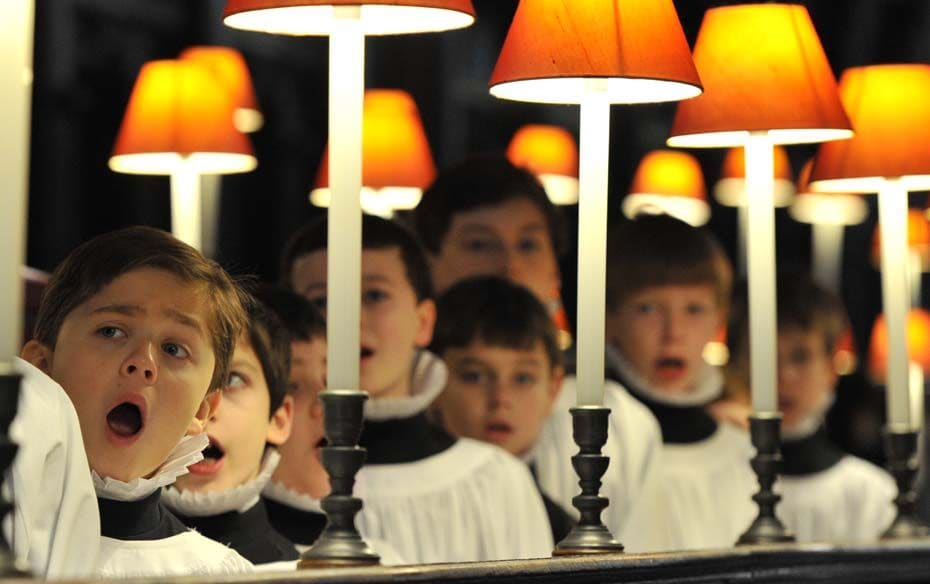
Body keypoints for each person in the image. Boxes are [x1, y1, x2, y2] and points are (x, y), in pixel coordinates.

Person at [413, 155, 669, 551]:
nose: (509, 266)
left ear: (554, 267)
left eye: (529, 244)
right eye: (480, 244)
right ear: (429, 263)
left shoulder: (616, 427)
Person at [281, 214, 553, 563]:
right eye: (321, 301)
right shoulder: (271, 484)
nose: (349, 319)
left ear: (424, 322)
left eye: (375, 295)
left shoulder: (493, 480)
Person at [21, 226, 253, 577]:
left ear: (202, 411)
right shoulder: (13, 546)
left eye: (174, 349)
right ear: (42, 368)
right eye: (111, 331)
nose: (143, 362)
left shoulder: (220, 573)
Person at [604, 213, 756, 550]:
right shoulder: (592, 432)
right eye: (648, 309)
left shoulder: (737, 442)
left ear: (720, 318)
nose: (673, 333)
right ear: (608, 318)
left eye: (694, 309)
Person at [727, 271, 896, 543]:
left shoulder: (869, 494)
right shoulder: (711, 480)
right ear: (737, 363)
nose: (783, 375)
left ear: (831, 368)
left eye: (800, 356)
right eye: (764, 355)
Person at [429, 276, 575, 544]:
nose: (500, 399)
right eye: (474, 376)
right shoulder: (412, 514)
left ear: (553, 389)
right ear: (433, 381)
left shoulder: (566, 536)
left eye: (522, 379)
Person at [164, 298, 298, 565]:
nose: (206, 407)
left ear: (278, 420)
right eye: (184, 371)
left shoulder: (296, 574)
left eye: (232, 380)